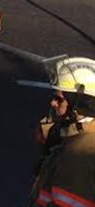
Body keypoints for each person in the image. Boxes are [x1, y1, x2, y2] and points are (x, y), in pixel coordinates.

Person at [27, 56, 95, 207]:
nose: (52, 103)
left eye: (59, 99)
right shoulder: (70, 135)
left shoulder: (79, 155)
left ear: (79, 104)